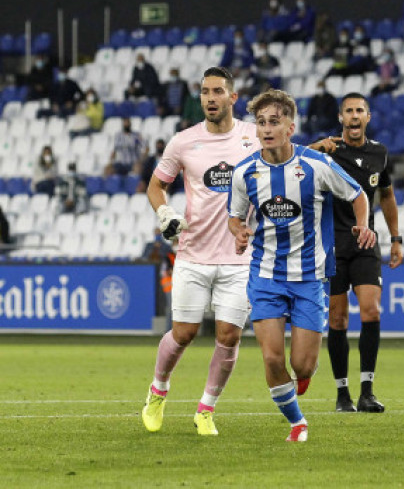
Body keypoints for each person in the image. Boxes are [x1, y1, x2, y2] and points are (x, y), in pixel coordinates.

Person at [228, 88, 375, 442]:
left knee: (302, 365)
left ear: (290, 127)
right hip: (265, 276)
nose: (266, 129)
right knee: (272, 359)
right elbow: (234, 217)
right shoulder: (245, 171)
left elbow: (358, 194)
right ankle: (298, 422)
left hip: (309, 278)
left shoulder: (316, 165)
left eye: (274, 122)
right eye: (260, 122)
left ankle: (303, 376)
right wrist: (240, 231)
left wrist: (364, 225)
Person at [140, 66, 261, 437]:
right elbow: (155, 186)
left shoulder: (254, 137)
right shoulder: (183, 141)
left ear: (232, 97)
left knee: (229, 335)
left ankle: (206, 408)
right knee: (184, 333)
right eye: (205, 91)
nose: (210, 98)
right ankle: (158, 389)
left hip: (240, 257)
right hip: (193, 255)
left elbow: (286, 162)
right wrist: (165, 213)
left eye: (217, 91)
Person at [309, 93, 404, 413]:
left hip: (365, 241)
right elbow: (290, 163)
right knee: (337, 318)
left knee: (371, 311)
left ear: (368, 117)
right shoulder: (328, 152)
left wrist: (395, 238)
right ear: (340, 118)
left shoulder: (380, 153)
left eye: (359, 110)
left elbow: (387, 196)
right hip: (332, 243)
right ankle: (342, 394)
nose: (353, 116)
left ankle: (367, 391)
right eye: (348, 111)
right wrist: (315, 147)